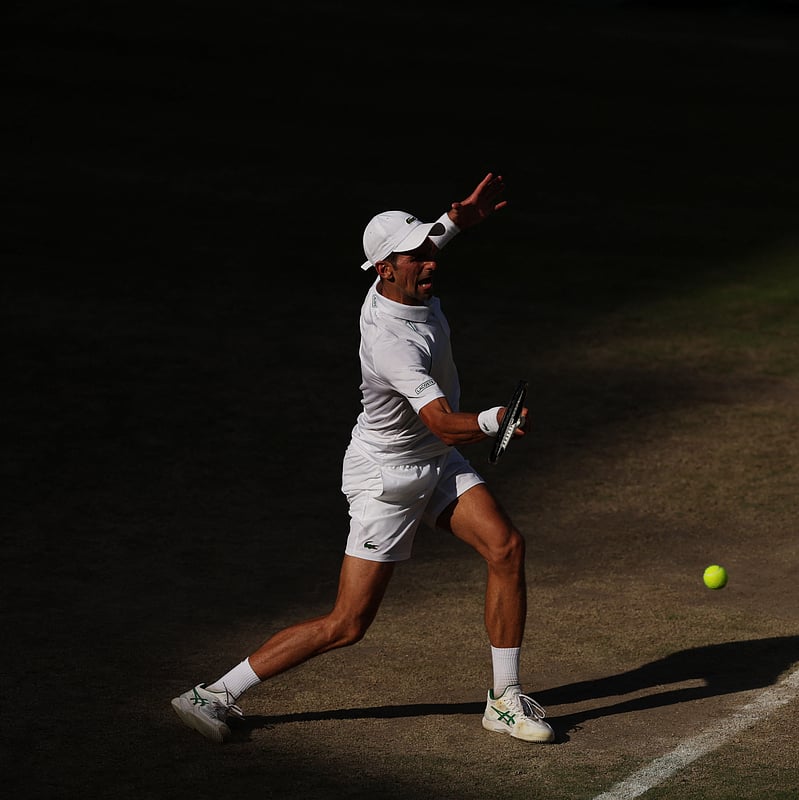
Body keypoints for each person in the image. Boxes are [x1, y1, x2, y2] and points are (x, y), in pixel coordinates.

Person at [171, 173, 554, 744]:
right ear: (385, 270)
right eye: (415, 257)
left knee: (506, 546)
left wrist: (455, 223)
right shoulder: (393, 344)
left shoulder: (398, 278)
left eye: (428, 251)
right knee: (347, 625)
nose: (430, 264)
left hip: (430, 460)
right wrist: (495, 420)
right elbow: (445, 426)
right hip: (389, 479)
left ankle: (503, 699)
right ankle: (214, 694)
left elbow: (422, 249)